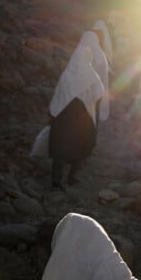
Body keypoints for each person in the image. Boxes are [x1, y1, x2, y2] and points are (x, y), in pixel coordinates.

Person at [46, 44, 104, 188]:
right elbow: (99, 93)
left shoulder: (67, 74)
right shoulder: (91, 75)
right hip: (82, 116)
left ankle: (56, 180)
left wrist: (52, 113)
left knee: (60, 147)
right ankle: (72, 177)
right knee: (81, 146)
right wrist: (89, 102)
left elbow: (58, 95)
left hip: (63, 116)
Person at [77, 30, 110, 128]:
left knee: (90, 118)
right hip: (94, 92)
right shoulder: (100, 55)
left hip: (92, 93)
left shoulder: (95, 57)